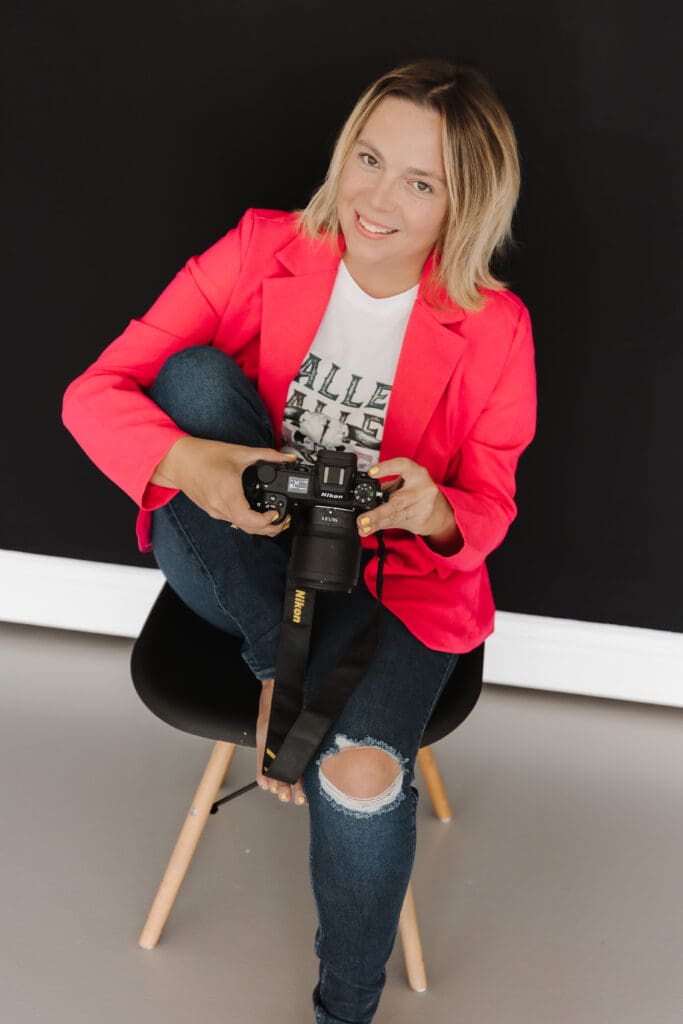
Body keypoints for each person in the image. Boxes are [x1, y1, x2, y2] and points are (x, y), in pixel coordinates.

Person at [62, 57, 537, 1024]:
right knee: (191, 384)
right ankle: (280, 664)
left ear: (465, 202)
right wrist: (200, 469)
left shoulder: (494, 329)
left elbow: (486, 507)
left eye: (421, 183)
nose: (376, 200)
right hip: (243, 552)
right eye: (368, 158)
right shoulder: (260, 248)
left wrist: (428, 508)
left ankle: (343, 1009)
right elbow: (90, 395)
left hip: (392, 583)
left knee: (357, 772)